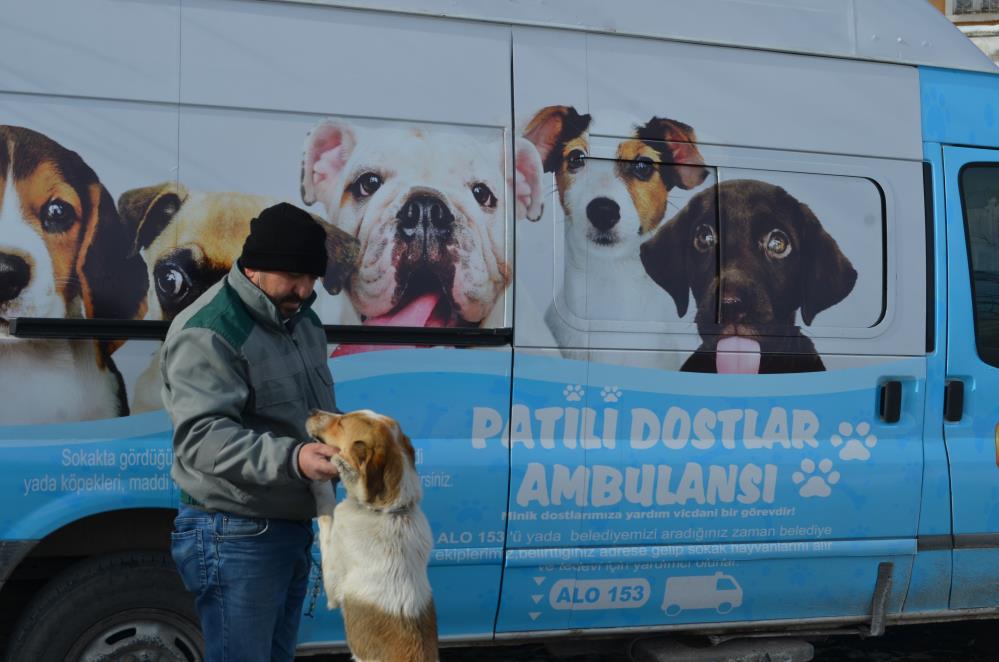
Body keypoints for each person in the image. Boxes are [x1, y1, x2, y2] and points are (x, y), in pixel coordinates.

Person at [163, 202, 340, 662]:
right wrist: (295, 460)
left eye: (311, 278)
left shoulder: (303, 321)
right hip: (235, 533)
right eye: (293, 276)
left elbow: (315, 412)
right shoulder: (209, 331)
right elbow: (202, 439)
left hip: (287, 526)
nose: (303, 290)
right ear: (255, 267)